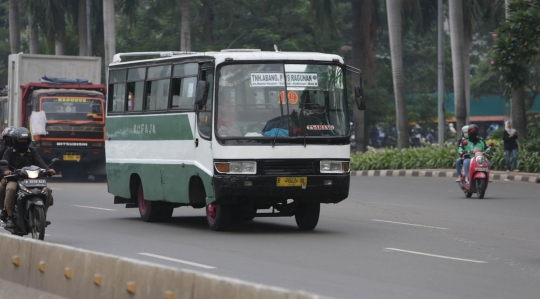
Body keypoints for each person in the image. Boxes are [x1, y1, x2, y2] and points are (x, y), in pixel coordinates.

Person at [0, 127, 55, 228]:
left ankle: (43, 215)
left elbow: (40, 163)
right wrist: (6, 171)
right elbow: (3, 165)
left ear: (28, 141)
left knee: (48, 190)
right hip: (15, 179)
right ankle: (11, 217)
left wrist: (48, 170)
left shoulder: (32, 151)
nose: (22, 142)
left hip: (31, 180)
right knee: (10, 189)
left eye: (25, 140)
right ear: (15, 141)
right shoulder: (9, 151)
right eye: (20, 140)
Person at [0, 126, 16, 222]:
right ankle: (4, 210)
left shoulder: (29, 150)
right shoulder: (4, 151)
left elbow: (37, 162)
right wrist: (3, 176)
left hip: (22, 175)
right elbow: (2, 165)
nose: (10, 140)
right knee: (4, 188)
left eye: (12, 138)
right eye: (8, 138)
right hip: (5, 175)